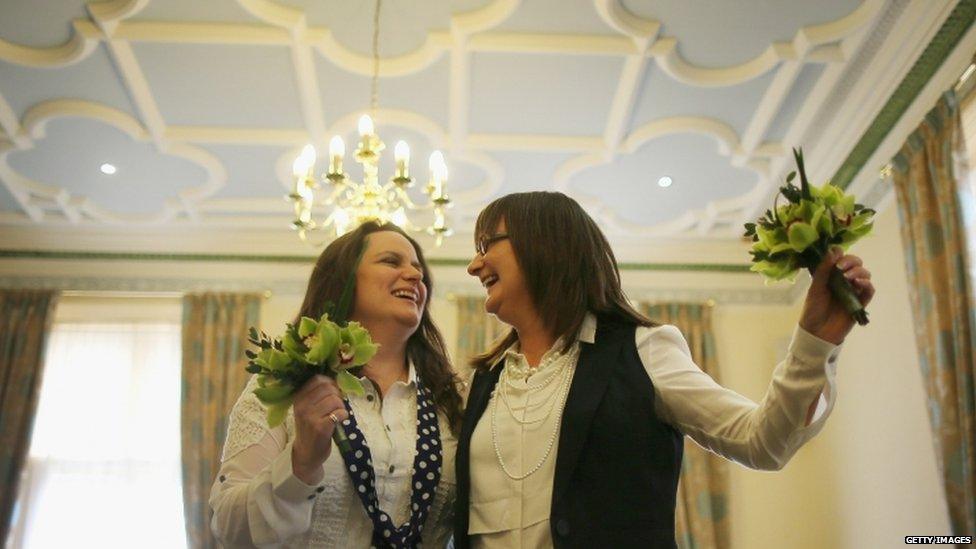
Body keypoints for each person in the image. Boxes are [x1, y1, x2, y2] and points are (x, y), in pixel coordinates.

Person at [453, 191, 875, 548]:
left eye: (487, 244)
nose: (474, 266)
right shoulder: (481, 384)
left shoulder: (643, 350)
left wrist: (813, 344)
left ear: (545, 244)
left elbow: (763, 441)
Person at [211, 221, 462, 548]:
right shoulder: (283, 386)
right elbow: (229, 530)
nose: (416, 276)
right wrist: (301, 461)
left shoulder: (453, 400)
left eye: (418, 269)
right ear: (343, 280)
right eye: (391, 261)